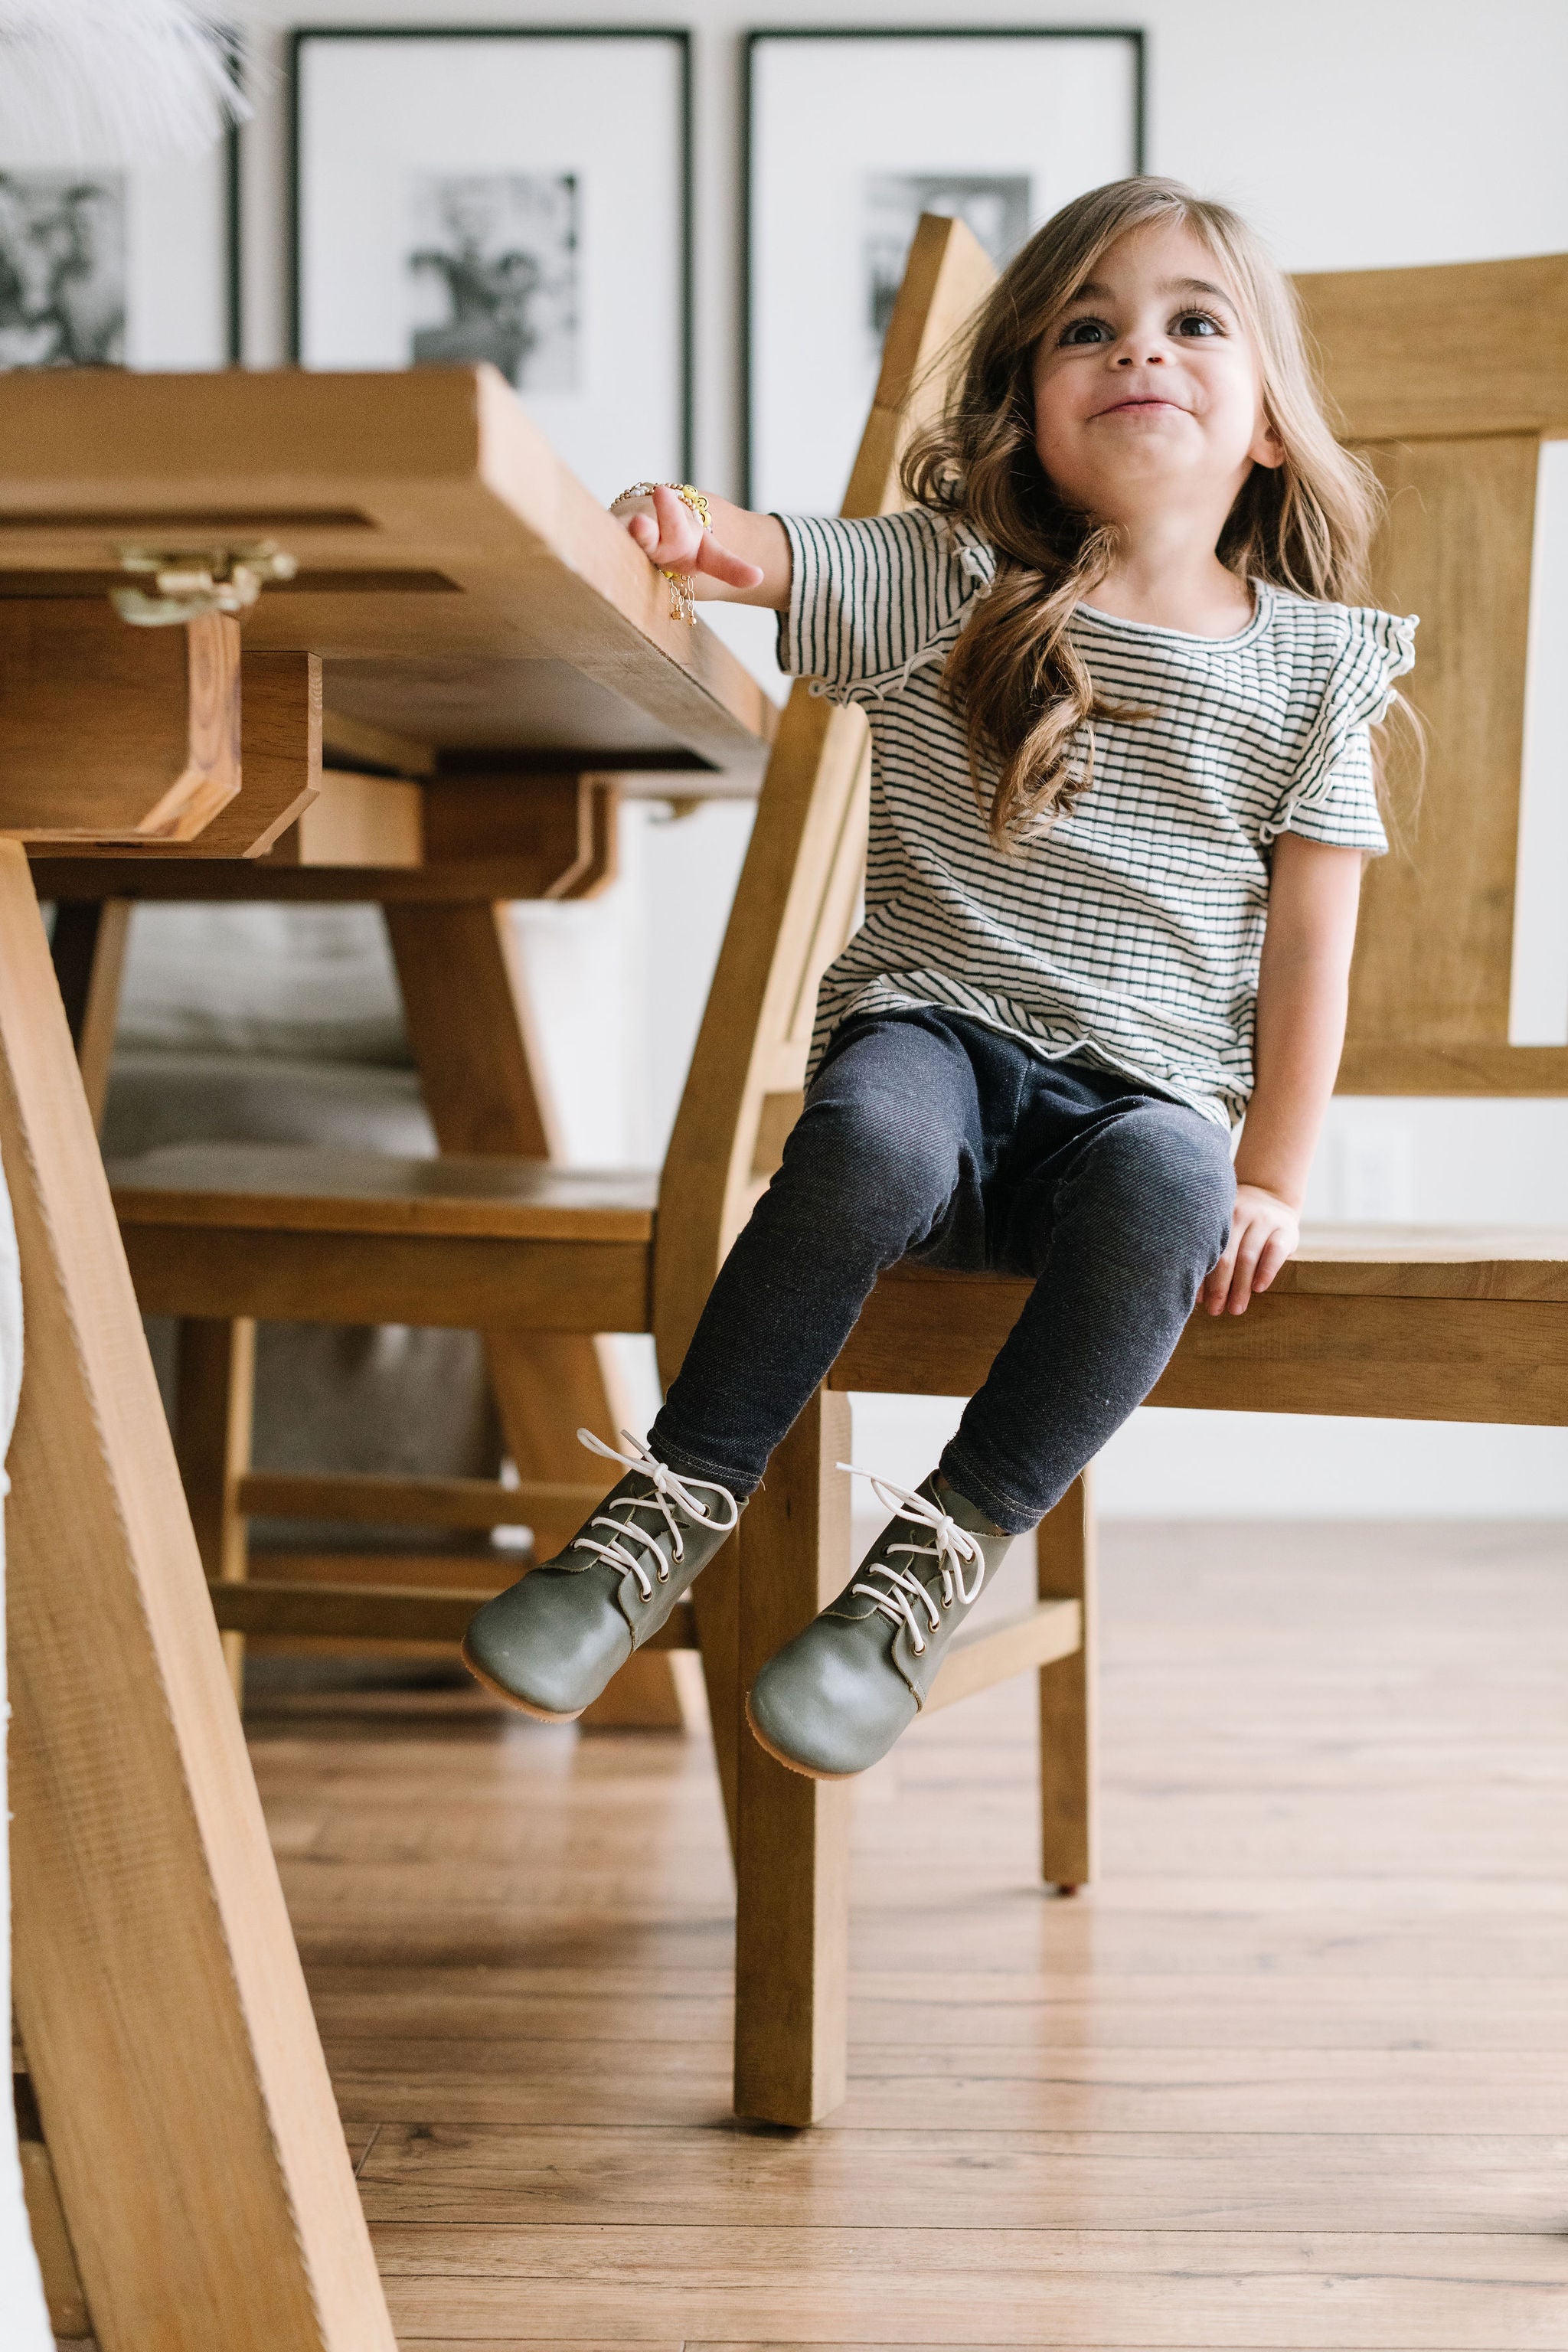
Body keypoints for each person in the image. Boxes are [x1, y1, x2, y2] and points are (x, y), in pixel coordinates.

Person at [462, 175, 1416, 1781]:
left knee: (1169, 1195)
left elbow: (1315, 939)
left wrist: (1274, 1173)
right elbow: (769, 555)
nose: (1143, 353)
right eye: (1087, 328)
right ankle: (656, 1523)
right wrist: (691, 528)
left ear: (1266, 421)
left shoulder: (1314, 664)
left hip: (1142, 1111)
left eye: (1196, 324)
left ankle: (923, 1574)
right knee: (868, 1137)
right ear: (1029, 409)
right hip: (937, 1050)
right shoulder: (948, 581)